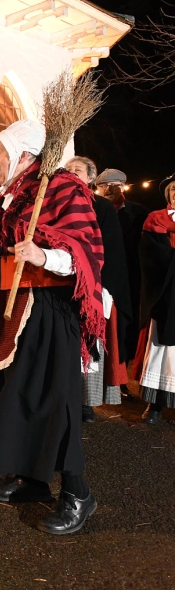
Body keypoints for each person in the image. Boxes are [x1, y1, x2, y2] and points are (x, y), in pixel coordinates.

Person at [0, 119, 105, 535]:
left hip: (49, 307)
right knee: (16, 394)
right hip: (6, 307)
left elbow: (87, 249)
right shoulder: (8, 195)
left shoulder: (62, 187)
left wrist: (44, 256)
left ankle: (78, 493)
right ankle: (33, 481)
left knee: (51, 399)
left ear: (23, 154)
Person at [65, 157, 132, 422]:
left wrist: (98, 285)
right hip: (63, 283)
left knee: (89, 342)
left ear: (90, 178)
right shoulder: (57, 204)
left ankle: (86, 401)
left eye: (77, 171)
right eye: (68, 170)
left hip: (93, 286)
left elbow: (111, 251)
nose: (71, 173)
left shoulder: (101, 207)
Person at [132, 171, 175, 424]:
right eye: (173, 190)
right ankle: (155, 404)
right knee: (161, 351)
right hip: (165, 294)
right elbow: (150, 256)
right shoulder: (155, 220)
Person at [96, 167, 148, 362]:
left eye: (114, 185)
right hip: (103, 273)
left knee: (128, 319)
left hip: (131, 274)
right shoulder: (92, 210)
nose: (108, 190)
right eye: (103, 186)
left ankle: (123, 365)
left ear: (123, 187)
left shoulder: (139, 212)